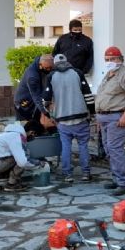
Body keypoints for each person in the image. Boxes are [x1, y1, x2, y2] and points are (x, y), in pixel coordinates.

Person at [95, 46, 125, 195]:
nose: (109, 62)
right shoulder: (109, 74)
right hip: (104, 117)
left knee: (115, 149)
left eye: (113, 59)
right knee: (108, 149)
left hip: (117, 117)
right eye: (107, 59)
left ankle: (124, 182)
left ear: (120, 59)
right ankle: (117, 178)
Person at [43, 54, 95, 183]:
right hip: (81, 117)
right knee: (83, 146)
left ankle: (67, 174)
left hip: (62, 119)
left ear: (54, 64)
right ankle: (86, 173)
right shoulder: (77, 73)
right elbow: (87, 95)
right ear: (67, 61)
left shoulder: (51, 76)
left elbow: (46, 99)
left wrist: (49, 114)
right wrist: (92, 112)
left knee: (66, 147)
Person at [0, 123, 42, 192]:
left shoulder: (10, 134)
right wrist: (38, 164)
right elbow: (22, 162)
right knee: (20, 159)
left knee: (19, 156)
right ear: (32, 132)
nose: (33, 139)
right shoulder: (16, 137)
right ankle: (12, 184)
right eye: (34, 136)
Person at [14, 54, 54, 136]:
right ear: (40, 65)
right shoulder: (32, 76)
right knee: (26, 129)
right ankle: (22, 145)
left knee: (37, 128)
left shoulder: (40, 66)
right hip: (24, 104)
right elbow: (36, 97)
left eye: (51, 68)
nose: (49, 70)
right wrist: (45, 112)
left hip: (33, 102)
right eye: (47, 68)